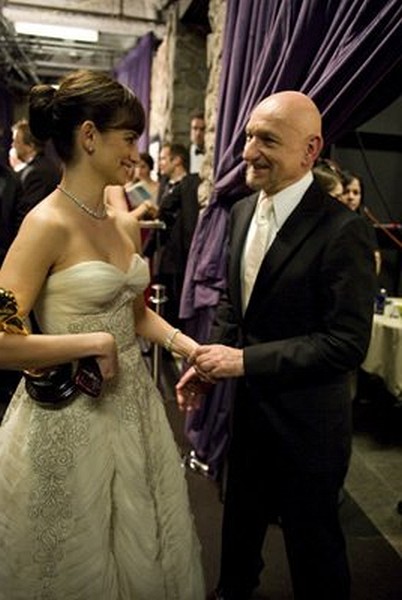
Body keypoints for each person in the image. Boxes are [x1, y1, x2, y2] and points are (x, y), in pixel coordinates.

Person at [0, 69, 204, 599]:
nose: (136, 151)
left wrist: (189, 349)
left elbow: (134, 315)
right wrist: (91, 342)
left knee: (143, 547)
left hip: (135, 411)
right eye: (128, 137)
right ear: (89, 136)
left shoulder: (121, 222)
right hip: (71, 415)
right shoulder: (46, 224)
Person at [177, 91, 376, 600]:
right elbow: (232, 305)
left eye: (267, 140)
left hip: (309, 426)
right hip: (248, 418)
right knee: (237, 539)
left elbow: (345, 344)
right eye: (248, 136)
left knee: (315, 558)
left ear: (310, 151)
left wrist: (243, 362)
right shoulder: (242, 211)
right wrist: (206, 362)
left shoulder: (345, 231)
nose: (248, 152)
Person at [11, 118, 61, 229]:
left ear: (30, 146)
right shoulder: (44, 166)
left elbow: (28, 216)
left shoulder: (36, 173)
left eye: (16, 141)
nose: (13, 145)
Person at [340, 169, 381, 275]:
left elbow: (376, 257)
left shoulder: (364, 224)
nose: (351, 197)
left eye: (356, 193)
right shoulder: (330, 222)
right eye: (346, 191)